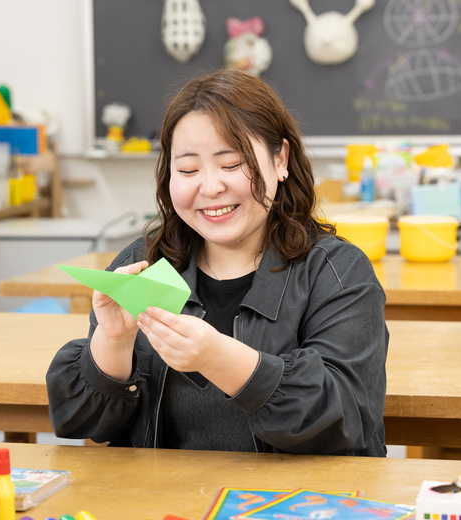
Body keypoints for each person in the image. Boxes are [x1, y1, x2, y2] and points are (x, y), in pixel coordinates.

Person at [46, 69, 388, 456]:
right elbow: (82, 424)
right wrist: (113, 342)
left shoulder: (337, 272)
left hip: (293, 496)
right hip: (162, 494)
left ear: (280, 159)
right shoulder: (143, 263)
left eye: (231, 164)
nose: (210, 187)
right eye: (188, 170)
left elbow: (347, 422)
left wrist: (218, 358)